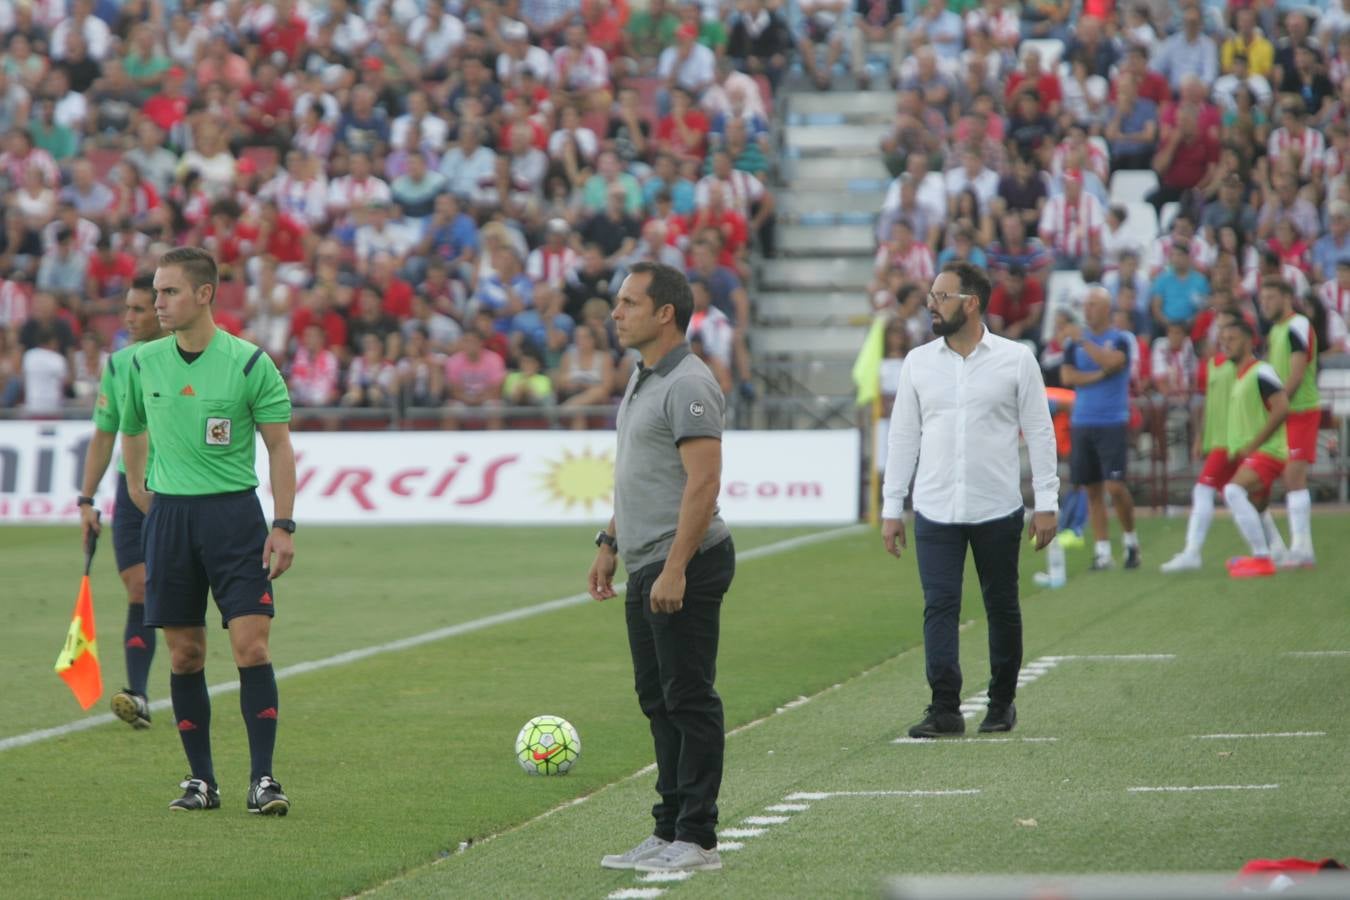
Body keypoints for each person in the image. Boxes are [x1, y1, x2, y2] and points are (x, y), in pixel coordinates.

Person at [120, 248, 296, 815]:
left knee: (252, 646)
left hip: (233, 518)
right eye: (156, 291)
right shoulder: (142, 362)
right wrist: (138, 486)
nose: (158, 302)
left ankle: (263, 780)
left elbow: (279, 446)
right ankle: (201, 781)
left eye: (169, 292)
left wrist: (283, 524)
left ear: (204, 294)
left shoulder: (249, 363)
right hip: (170, 519)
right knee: (185, 656)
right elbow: (131, 427)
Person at [591, 262, 734, 874]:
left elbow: (703, 483)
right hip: (646, 557)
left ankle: (698, 837)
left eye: (629, 303)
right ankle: (668, 827)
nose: (616, 313)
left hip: (685, 560)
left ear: (665, 313)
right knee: (657, 698)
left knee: (688, 698)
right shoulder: (642, 374)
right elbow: (643, 473)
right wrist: (610, 540)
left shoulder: (688, 382)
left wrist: (676, 568)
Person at [880, 262, 1059, 739]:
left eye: (941, 297)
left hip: (996, 505)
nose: (931, 305)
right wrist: (891, 507)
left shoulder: (1016, 359)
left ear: (972, 303)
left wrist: (1047, 501)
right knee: (939, 606)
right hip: (934, 508)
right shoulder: (918, 362)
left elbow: (1040, 431)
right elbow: (903, 437)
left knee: (1002, 606)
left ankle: (1001, 703)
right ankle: (945, 708)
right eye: (932, 296)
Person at [78, 274, 166, 728]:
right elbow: (103, 434)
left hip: (175, 488)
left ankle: (185, 670)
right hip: (128, 489)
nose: (128, 318)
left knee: (174, 595)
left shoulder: (183, 356)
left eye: (138, 310)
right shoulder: (118, 363)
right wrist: (86, 498)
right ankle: (139, 694)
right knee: (138, 586)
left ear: (162, 312)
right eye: (125, 309)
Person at [1060, 287, 1140, 570]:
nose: (1087, 309)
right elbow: (1068, 376)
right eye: (1086, 304)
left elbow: (1114, 362)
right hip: (1082, 421)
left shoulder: (1120, 339)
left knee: (1115, 487)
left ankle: (1130, 541)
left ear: (1107, 308)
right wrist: (1098, 375)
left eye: (1093, 304)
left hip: (1112, 420)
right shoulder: (1073, 344)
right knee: (1092, 489)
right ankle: (1103, 551)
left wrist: (1084, 342)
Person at [1220, 317, 1291, 579]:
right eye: (1223, 340)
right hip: (1257, 451)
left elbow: (1282, 408)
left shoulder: (1261, 371)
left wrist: (1255, 444)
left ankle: (1261, 558)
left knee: (1233, 491)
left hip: (1268, 451)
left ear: (1250, 342)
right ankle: (1276, 553)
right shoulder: (1240, 376)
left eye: (1233, 339)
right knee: (1257, 505)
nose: (1226, 344)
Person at [1258, 279, 1320, 567]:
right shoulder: (1276, 330)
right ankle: (1288, 548)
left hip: (1300, 410)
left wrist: (1277, 404)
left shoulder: (1297, 325)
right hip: (1283, 412)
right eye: (1263, 299)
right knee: (1280, 479)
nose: (1265, 304)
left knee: (1293, 477)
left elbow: (1296, 373)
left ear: (1286, 298)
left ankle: (1301, 548)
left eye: (1271, 297)